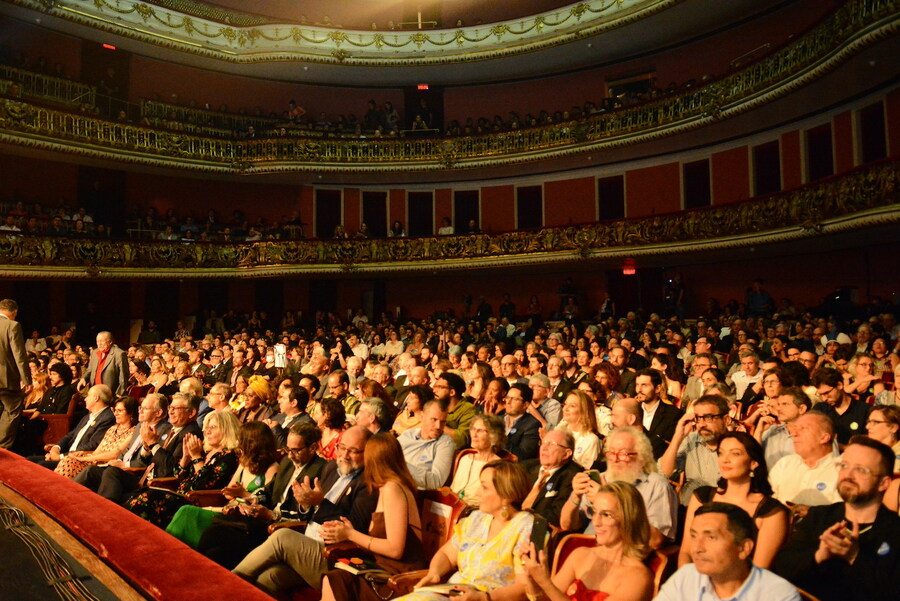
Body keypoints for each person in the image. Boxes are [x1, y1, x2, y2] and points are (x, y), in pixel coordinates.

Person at [233, 427, 377, 596]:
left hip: (333, 555)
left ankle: (229, 581)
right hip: (307, 543)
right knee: (268, 578)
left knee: (283, 536)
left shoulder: (369, 482)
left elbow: (354, 526)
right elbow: (309, 514)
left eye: (353, 451)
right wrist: (306, 504)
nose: (344, 455)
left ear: (368, 452)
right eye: (342, 448)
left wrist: (319, 503)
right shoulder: (332, 468)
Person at [774, 436, 900, 601]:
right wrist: (818, 555)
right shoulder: (819, 517)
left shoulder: (895, 531)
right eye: (844, 465)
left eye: (861, 469)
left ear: (884, 483)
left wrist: (855, 557)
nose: (848, 474)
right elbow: (781, 569)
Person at [396, 461, 535, 601]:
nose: (477, 492)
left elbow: (525, 587)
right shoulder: (476, 519)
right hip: (454, 593)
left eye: (484, 487)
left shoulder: (526, 527)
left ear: (507, 495)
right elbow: (447, 554)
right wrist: (435, 573)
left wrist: (483, 597)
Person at [196, 423, 327, 569]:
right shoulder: (287, 463)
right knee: (212, 533)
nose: (290, 455)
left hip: (282, 526)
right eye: (288, 449)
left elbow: (306, 514)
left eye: (296, 450)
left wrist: (271, 515)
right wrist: (254, 498)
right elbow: (268, 490)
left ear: (313, 448)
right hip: (264, 517)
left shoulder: (321, 471)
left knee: (223, 546)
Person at [319, 434, 427, 601]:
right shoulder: (385, 487)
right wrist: (350, 531)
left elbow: (395, 549)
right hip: (381, 568)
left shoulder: (393, 489)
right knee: (334, 579)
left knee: (336, 580)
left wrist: (350, 535)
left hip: (397, 578)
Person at [520, 481, 654, 601]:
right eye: (594, 512)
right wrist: (532, 579)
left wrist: (545, 582)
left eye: (606, 514)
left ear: (629, 519)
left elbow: (550, 590)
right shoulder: (580, 555)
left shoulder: (638, 577)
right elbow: (547, 598)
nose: (596, 522)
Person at [678, 432, 789, 569]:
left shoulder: (771, 512)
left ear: (754, 463)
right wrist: (687, 583)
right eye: (721, 453)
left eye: (735, 454)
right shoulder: (702, 497)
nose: (725, 460)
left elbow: (760, 569)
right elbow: (687, 552)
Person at [561, 427, 677, 549]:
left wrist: (609, 503)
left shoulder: (656, 486)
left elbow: (655, 541)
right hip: (588, 551)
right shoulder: (599, 479)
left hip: (625, 557)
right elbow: (567, 525)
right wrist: (575, 496)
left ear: (641, 457)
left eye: (623, 454)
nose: (615, 459)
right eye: (611, 453)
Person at [124, 410, 243, 528]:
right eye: (206, 427)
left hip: (193, 501)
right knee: (142, 495)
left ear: (228, 430)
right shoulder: (206, 453)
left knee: (148, 499)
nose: (207, 432)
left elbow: (203, 484)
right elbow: (178, 476)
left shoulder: (229, 456)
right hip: (179, 495)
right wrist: (186, 458)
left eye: (213, 427)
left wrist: (196, 457)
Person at [658, 502, 800, 601]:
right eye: (694, 536)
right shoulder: (685, 577)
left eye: (711, 537)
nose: (696, 548)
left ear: (744, 548)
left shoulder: (779, 595)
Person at [659, 394, 728, 506]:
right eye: (698, 418)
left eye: (708, 417)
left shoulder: (736, 446)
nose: (702, 424)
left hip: (717, 509)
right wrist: (678, 436)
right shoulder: (691, 439)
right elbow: (664, 472)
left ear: (725, 420)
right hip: (686, 506)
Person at [768, 412, 842, 510]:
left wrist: (812, 513)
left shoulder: (841, 471)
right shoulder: (784, 464)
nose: (794, 434)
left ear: (824, 438)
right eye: (795, 428)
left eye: (803, 428)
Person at [31, 384, 115, 469]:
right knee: (30, 460)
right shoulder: (88, 415)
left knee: (41, 466)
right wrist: (56, 448)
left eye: (88, 395)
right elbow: (70, 435)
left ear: (96, 398)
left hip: (78, 461)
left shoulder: (107, 418)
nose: (85, 399)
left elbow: (92, 445)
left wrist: (60, 457)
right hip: (66, 455)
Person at [55, 396, 138, 479]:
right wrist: (84, 454)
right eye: (115, 410)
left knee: (69, 462)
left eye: (119, 411)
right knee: (68, 459)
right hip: (95, 462)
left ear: (130, 413)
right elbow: (97, 452)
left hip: (108, 468)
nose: (115, 414)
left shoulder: (134, 432)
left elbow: (114, 454)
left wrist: (84, 459)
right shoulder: (112, 429)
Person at [522, 429, 582, 528]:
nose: (544, 448)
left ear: (566, 454)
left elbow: (556, 517)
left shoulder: (572, 476)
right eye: (543, 442)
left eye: (551, 444)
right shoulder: (526, 466)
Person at [450, 415, 507, 506]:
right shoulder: (465, 459)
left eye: (480, 431)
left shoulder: (498, 466)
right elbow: (453, 491)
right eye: (473, 429)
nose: (474, 434)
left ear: (494, 436)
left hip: (477, 511)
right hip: (453, 507)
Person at [398, 399, 456, 489]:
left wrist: (400, 466)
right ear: (422, 416)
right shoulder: (407, 435)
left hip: (417, 494)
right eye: (434, 420)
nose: (438, 426)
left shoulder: (445, 443)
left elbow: (436, 481)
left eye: (443, 422)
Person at [0, 298, 32, 449]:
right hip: (6, 380)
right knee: (13, 410)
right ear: (14, 312)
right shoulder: (12, 325)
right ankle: (2, 449)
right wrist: (27, 380)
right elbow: (19, 355)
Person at [557, 390, 602, 469]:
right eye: (565, 404)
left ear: (584, 411)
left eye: (572, 406)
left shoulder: (591, 440)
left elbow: (587, 472)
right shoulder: (558, 431)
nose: (565, 408)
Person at [81, 331, 130, 396]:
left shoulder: (119, 354)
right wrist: (83, 378)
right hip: (94, 391)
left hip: (110, 393)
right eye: (97, 341)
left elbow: (123, 376)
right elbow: (90, 369)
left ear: (110, 342)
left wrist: (120, 393)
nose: (99, 344)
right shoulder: (94, 353)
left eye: (101, 341)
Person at [503, 383, 541, 462]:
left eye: (514, 399)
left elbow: (523, 456)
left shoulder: (532, 425)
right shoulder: (499, 420)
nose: (508, 402)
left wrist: (500, 437)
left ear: (525, 405)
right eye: (508, 398)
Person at [864, 404, 900, 472]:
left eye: (875, 422)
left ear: (893, 427)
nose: (867, 426)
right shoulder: (864, 449)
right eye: (869, 422)